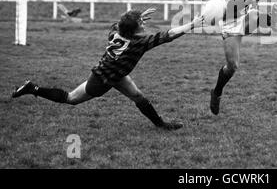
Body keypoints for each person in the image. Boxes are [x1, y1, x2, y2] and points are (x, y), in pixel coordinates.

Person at [12, 8, 204, 130]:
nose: (144, 24)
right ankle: (33, 88)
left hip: (115, 73)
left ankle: (161, 125)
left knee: (138, 96)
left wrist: (137, 17)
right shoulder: (138, 43)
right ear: (134, 29)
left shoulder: (116, 32)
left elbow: (119, 23)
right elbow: (168, 35)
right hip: (102, 80)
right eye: (141, 23)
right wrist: (192, 25)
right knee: (70, 99)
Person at [209, 0, 277, 115]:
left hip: (247, 14)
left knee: (255, 14)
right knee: (232, 66)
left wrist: (256, 5)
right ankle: (217, 92)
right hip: (229, 20)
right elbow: (234, 7)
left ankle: (267, 20)